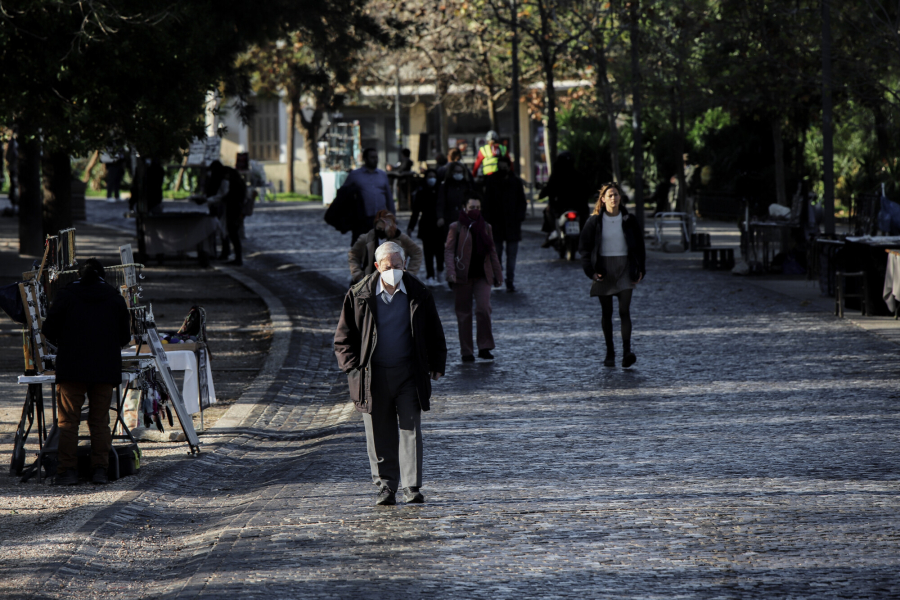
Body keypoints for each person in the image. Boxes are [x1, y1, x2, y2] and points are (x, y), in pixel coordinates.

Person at [334, 241, 447, 506]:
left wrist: (437, 363)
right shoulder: (359, 294)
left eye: (398, 265)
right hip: (372, 375)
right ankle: (386, 486)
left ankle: (411, 486)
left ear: (405, 265)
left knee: (411, 428)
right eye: (388, 266)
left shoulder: (419, 293)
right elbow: (343, 337)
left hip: (409, 372)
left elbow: (434, 330)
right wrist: (352, 367)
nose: (393, 270)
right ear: (377, 266)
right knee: (379, 431)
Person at [42, 259, 132, 485]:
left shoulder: (66, 295)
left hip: (72, 368)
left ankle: (67, 471)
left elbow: (48, 330)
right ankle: (100, 470)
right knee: (100, 421)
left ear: (79, 275)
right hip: (104, 369)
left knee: (68, 422)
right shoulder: (115, 298)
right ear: (103, 276)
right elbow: (125, 338)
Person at [578, 182, 646, 368]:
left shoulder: (629, 220)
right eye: (610, 195)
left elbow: (640, 247)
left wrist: (641, 269)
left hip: (625, 267)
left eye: (616, 195)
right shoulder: (594, 222)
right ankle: (610, 352)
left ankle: (627, 352)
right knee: (606, 312)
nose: (613, 198)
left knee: (624, 310)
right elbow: (584, 249)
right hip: (604, 269)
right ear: (603, 199)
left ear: (620, 198)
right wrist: (590, 272)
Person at [445, 197, 503, 362]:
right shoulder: (456, 227)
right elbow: (449, 251)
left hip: (483, 275)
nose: (474, 209)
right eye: (471, 207)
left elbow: (492, 251)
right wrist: (451, 272)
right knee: (464, 314)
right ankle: (467, 351)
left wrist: (498, 274)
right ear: (464, 207)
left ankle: (484, 347)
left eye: (477, 207)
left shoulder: (486, 227)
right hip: (462, 276)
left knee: (484, 309)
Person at [482, 155, 527, 293]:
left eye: (504, 167)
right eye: (500, 167)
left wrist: (519, 217)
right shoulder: (492, 181)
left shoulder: (515, 181)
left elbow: (522, 202)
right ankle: (498, 277)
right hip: (496, 225)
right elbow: (487, 202)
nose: (502, 169)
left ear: (508, 167)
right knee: (497, 254)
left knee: (511, 255)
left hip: (512, 224)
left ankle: (510, 280)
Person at [349, 210, 423, 284]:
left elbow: (417, 252)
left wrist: (410, 274)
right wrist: (357, 273)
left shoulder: (401, 238)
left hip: (394, 281)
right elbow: (353, 255)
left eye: (386, 227)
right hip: (370, 281)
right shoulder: (367, 238)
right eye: (379, 228)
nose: (382, 230)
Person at [539, 151, 593, 247]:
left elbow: (548, 189)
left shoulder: (557, 175)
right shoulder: (577, 175)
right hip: (574, 207)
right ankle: (554, 232)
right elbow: (588, 190)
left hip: (565, 207)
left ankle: (553, 232)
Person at [342, 148, 395, 242]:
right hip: (361, 218)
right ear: (365, 159)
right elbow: (344, 194)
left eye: (376, 157)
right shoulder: (355, 175)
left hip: (380, 218)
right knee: (361, 247)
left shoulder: (382, 175)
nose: (375, 160)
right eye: (372, 157)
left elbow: (388, 197)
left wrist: (392, 216)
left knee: (379, 249)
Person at [408, 168, 445, 285]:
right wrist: (411, 227)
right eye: (429, 177)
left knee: (440, 251)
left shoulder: (441, 191)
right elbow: (416, 211)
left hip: (439, 226)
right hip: (426, 225)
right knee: (428, 252)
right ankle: (430, 275)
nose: (431, 179)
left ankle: (440, 270)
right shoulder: (421, 192)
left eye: (433, 176)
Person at [206, 160, 247, 265]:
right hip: (234, 206)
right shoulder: (229, 174)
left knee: (233, 233)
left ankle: (238, 259)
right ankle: (233, 256)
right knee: (230, 232)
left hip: (234, 206)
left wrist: (209, 200)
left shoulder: (226, 178)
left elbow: (225, 195)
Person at [436, 161, 477, 230]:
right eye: (456, 171)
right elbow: (441, 202)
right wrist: (440, 217)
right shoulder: (446, 186)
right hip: (449, 218)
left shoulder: (467, 186)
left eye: (460, 172)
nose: (458, 174)